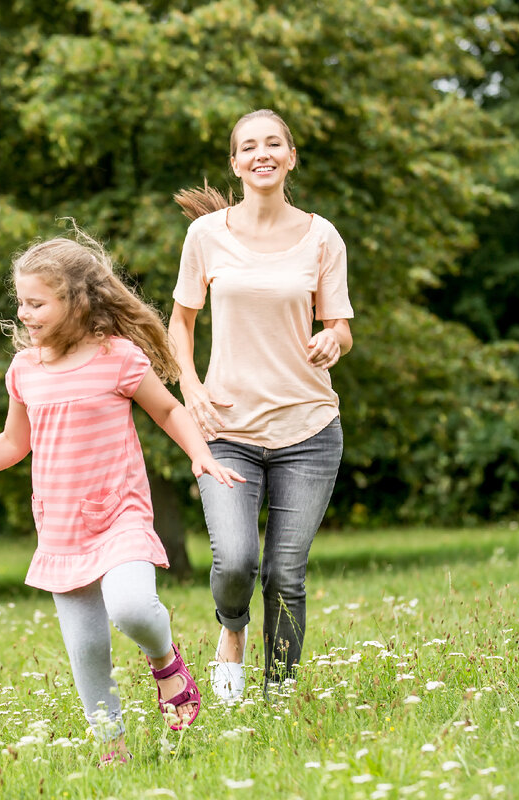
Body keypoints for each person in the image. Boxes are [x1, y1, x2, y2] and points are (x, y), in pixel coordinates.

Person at [0, 233, 244, 763]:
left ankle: (165, 660)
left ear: (75, 300)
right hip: (62, 525)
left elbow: (167, 411)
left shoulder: (118, 357)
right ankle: (110, 749)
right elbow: (12, 443)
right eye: (20, 302)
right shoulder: (25, 371)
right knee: (87, 649)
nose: (23, 313)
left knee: (134, 607)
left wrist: (199, 453)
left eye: (36, 303)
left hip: (120, 513)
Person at [168, 109, 354, 701]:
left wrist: (333, 338)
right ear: (235, 163)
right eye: (249, 146)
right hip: (227, 431)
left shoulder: (323, 236)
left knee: (285, 575)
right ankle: (232, 631)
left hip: (309, 429)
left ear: (291, 157)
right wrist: (190, 388)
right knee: (236, 564)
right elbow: (180, 322)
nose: (262, 153)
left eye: (274, 144)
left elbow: (342, 328)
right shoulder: (206, 236)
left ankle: (276, 699)